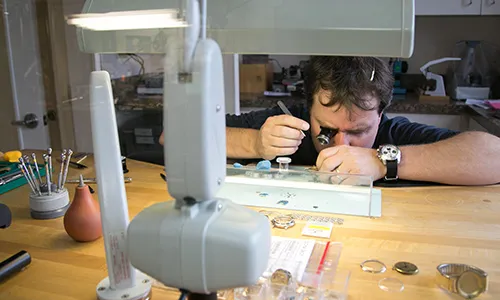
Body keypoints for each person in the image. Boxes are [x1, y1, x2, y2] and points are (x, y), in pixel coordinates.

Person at [160, 56, 500, 186]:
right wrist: (255, 144)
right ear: (307, 108)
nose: (341, 147)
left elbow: (494, 155)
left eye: (359, 132)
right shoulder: (285, 122)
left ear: (380, 115)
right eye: (327, 129)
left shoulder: (393, 134)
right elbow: (171, 136)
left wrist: (383, 161)